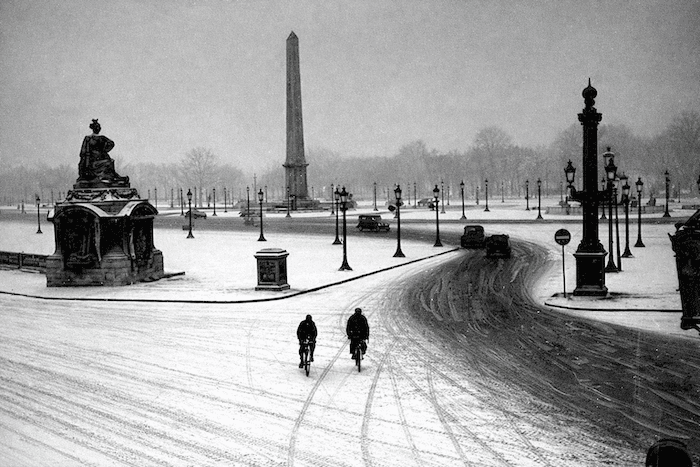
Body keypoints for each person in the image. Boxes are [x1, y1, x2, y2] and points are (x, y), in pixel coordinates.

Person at [77, 119, 129, 187]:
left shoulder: (98, 138)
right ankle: (110, 177)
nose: (98, 129)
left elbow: (111, 143)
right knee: (108, 162)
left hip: (98, 159)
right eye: (97, 127)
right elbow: (83, 153)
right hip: (94, 160)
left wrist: (104, 150)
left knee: (109, 162)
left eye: (98, 127)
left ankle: (111, 176)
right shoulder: (92, 138)